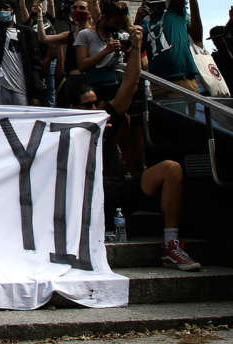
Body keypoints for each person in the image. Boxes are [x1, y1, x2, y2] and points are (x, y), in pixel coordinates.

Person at [68, 25, 201, 271]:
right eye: (86, 107)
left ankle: (171, 245)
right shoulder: (64, 131)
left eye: (95, 104)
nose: (93, 110)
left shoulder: (105, 117)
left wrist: (137, 48)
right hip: (87, 195)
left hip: (120, 190)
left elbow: (129, 84)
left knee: (171, 169)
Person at [73, 0, 131, 102]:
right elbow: (82, 65)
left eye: (121, 24)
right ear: (104, 18)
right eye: (115, 23)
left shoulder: (122, 35)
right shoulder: (86, 35)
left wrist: (129, 50)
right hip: (95, 89)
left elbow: (131, 65)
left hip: (116, 87)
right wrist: (106, 51)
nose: (118, 27)